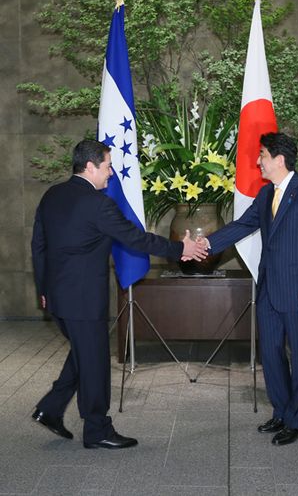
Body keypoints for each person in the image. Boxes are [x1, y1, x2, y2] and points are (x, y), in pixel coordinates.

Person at [31, 139, 207, 450]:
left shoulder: (52, 195)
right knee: (95, 361)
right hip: (83, 300)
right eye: (107, 166)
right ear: (90, 167)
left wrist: (43, 290)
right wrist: (181, 248)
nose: (111, 174)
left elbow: (39, 246)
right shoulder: (97, 204)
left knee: (85, 352)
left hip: (58, 298)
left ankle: (51, 408)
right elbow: (136, 240)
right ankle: (97, 429)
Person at [199, 132, 298, 446]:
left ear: (279, 159)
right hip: (269, 289)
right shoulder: (265, 194)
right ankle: (282, 412)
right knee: (270, 354)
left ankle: (296, 422)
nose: (258, 161)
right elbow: (242, 226)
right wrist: (206, 243)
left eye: (262, 156)